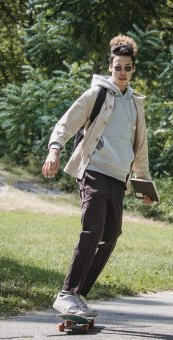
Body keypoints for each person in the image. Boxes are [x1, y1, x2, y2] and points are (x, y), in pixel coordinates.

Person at [42, 34, 152, 317]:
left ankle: (77, 295)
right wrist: (55, 150)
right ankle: (67, 293)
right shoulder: (97, 94)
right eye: (118, 67)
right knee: (92, 230)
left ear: (133, 69)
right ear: (110, 67)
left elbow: (140, 147)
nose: (122, 72)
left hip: (118, 178)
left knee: (111, 235)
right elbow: (66, 123)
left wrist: (144, 184)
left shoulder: (136, 104)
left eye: (127, 68)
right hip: (93, 171)